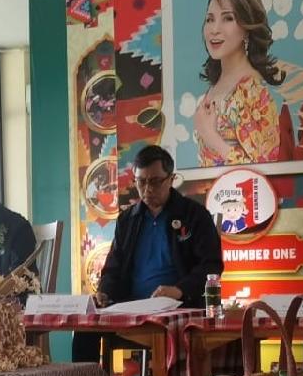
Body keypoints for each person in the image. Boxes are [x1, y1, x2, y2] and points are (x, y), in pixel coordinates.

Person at [73, 145, 222, 363]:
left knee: (171, 324)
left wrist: (179, 290)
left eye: (155, 181)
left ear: (171, 180)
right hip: (130, 307)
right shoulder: (128, 219)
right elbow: (113, 267)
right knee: (84, 328)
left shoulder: (194, 215)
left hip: (178, 308)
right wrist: (104, 291)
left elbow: (211, 265)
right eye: (141, 182)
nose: (147, 189)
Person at [193, 0, 285, 167]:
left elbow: (266, 168)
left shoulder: (254, 91)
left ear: (247, 28)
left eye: (228, 18)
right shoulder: (214, 87)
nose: (214, 29)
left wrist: (211, 137)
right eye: (210, 19)